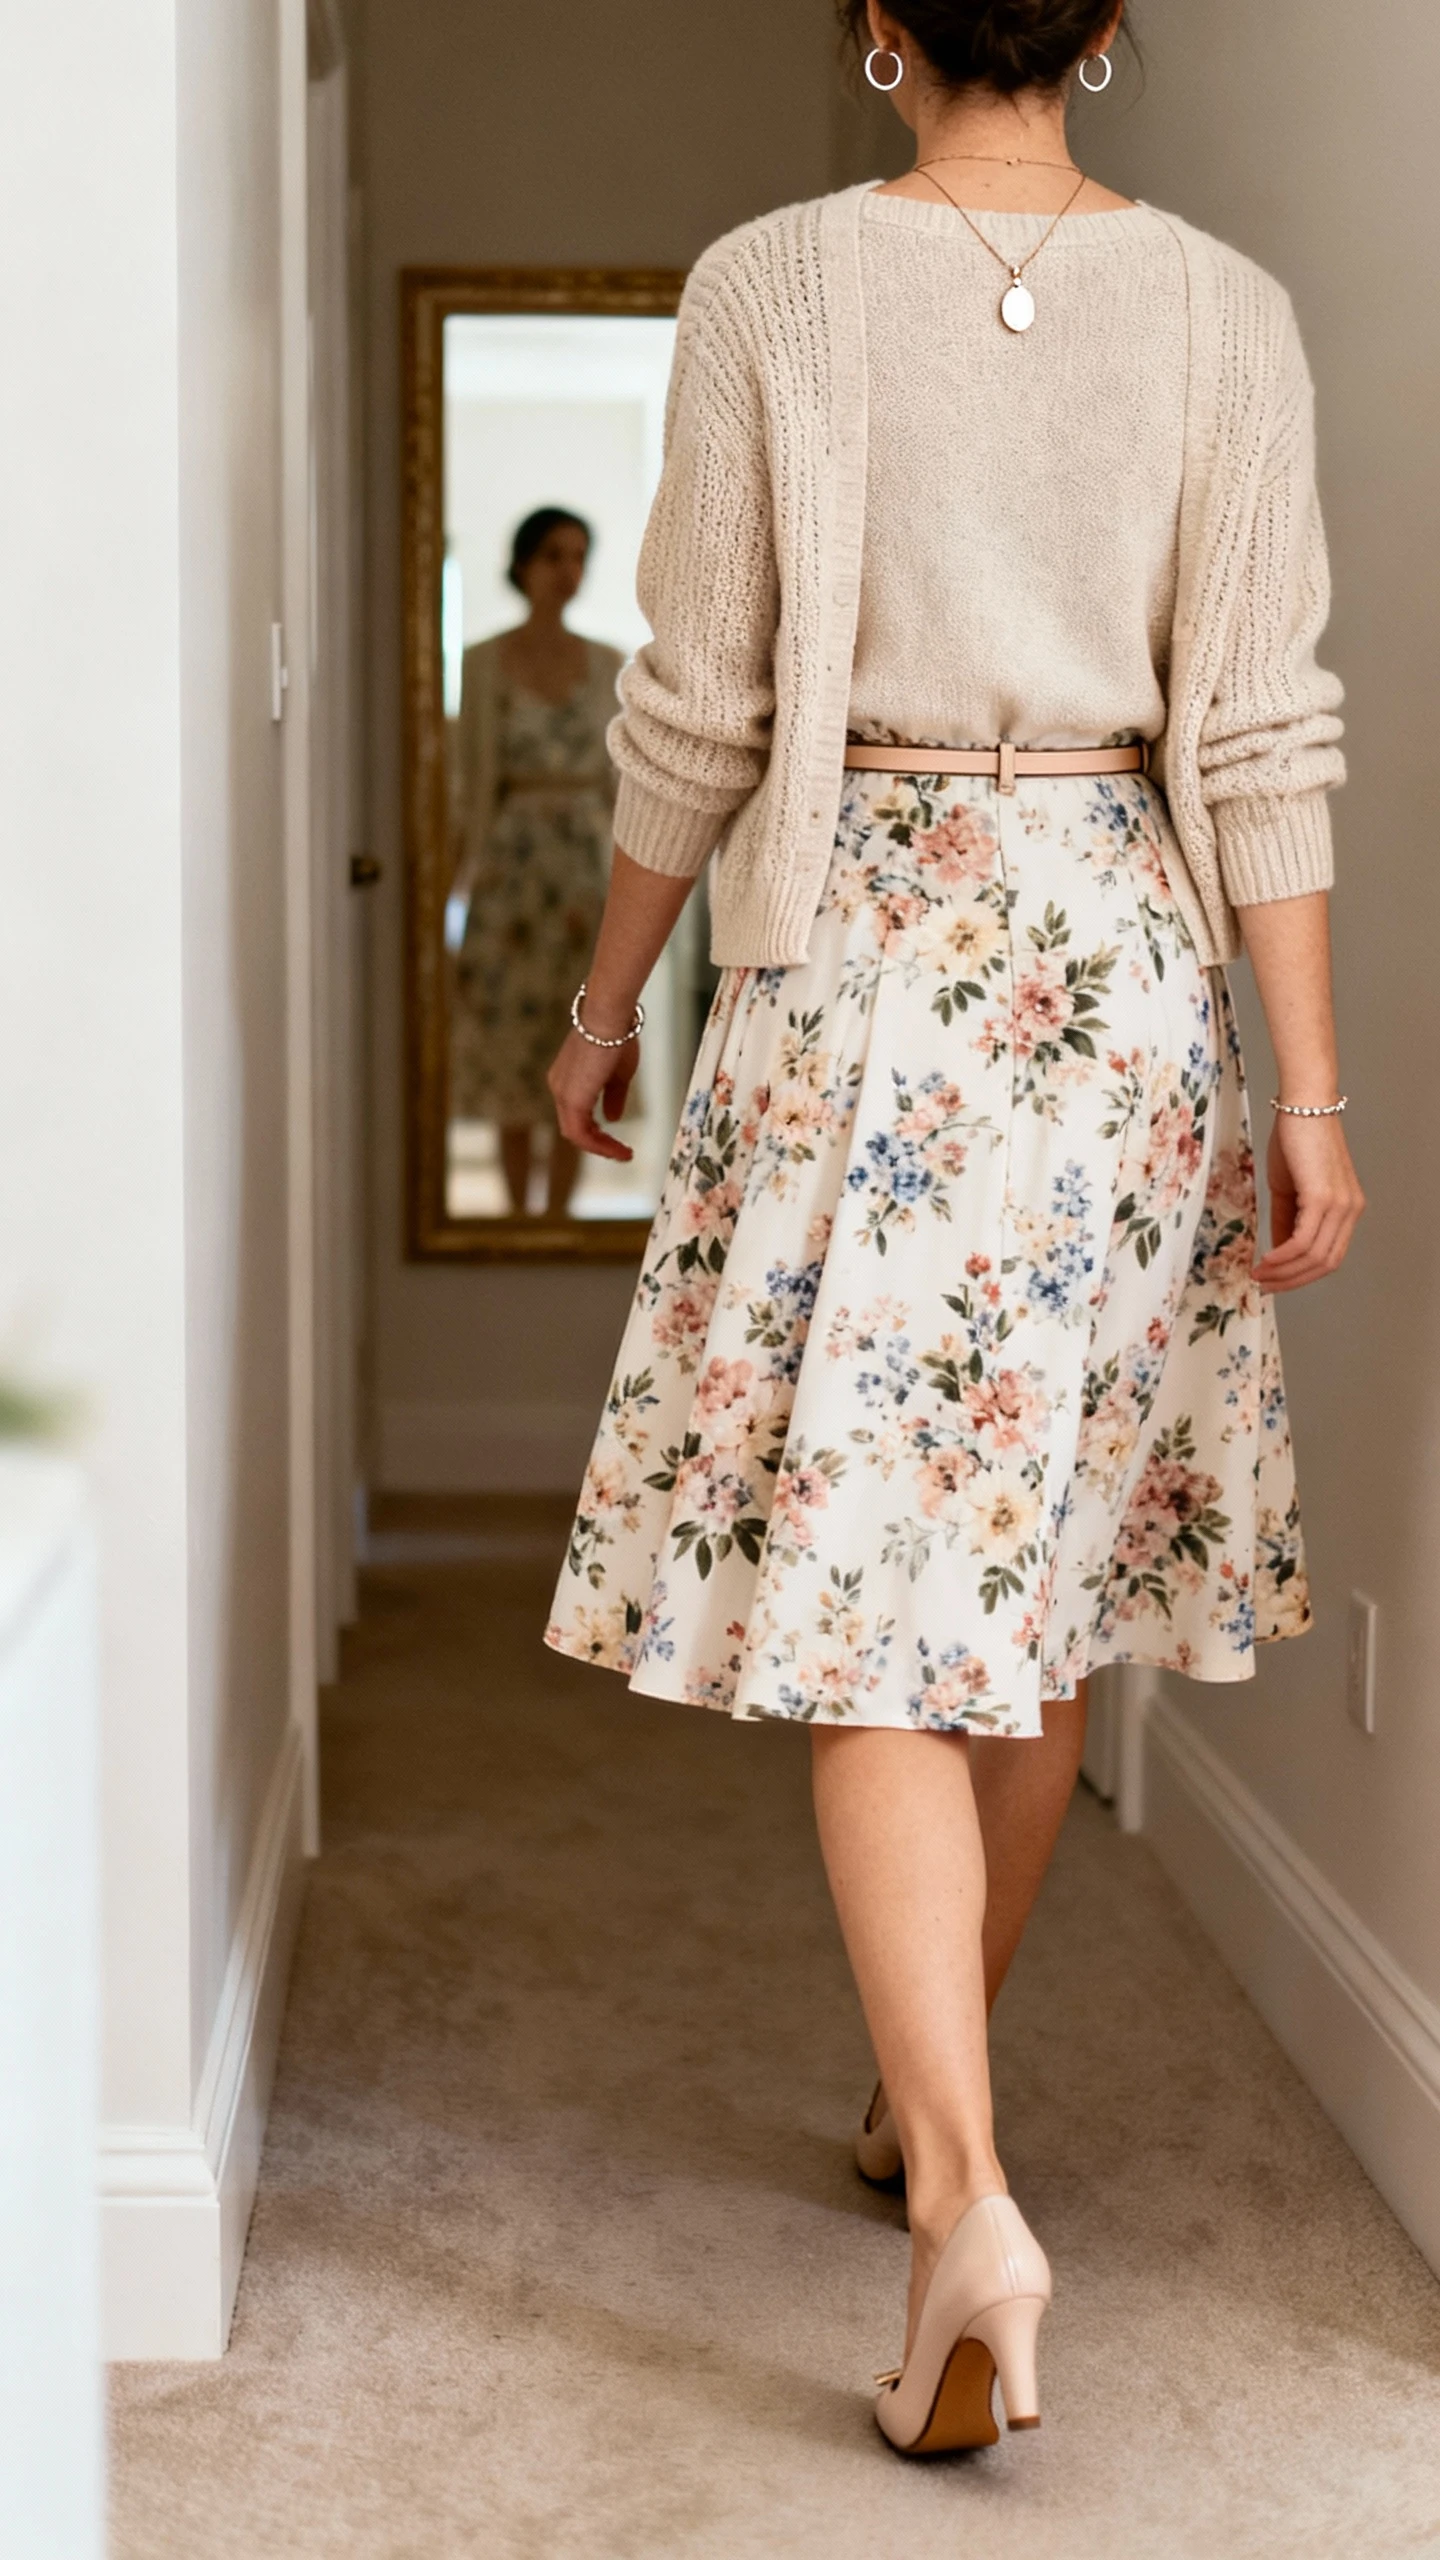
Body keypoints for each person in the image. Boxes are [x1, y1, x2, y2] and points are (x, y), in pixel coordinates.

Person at [544, 0, 1364, 2456]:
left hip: (863, 949)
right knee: (1016, 1580)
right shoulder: (1222, 311)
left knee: (869, 1594)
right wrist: (1303, 1088)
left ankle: (962, 2192)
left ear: (870, 28)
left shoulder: (773, 284)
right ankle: (933, 2116)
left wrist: (600, 1002)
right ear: (1106, 30)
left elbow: (695, 706)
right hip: (1119, 962)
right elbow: (1256, 728)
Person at [449, 508, 623, 1217]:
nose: (568, 570)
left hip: (584, 874)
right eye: (554, 554)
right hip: (511, 880)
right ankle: (520, 1214)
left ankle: (561, 1218)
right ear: (523, 564)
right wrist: (451, 897)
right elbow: (472, 786)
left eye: (579, 555)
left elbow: (624, 795)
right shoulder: (483, 661)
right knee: (511, 1048)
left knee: (579, 1031)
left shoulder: (610, 665)